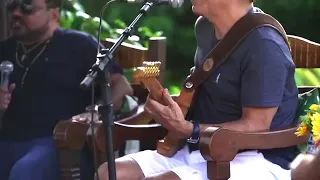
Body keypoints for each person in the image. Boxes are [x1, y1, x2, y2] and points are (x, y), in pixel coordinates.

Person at [96, 0, 299, 180]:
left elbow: (257, 125)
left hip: (257, 157)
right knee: (108, 173)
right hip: (198, 149)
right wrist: (167, 107)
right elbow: (201, 93)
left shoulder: (264, 44)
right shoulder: (204, 28)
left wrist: (189, 130)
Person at [0, 0, 134, 179]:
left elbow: (121, 86)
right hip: (8, 139)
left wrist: (95, 111)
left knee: (24, 171)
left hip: (62, 143)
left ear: (54, 14)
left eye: (26, 7)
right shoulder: (5, 50)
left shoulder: (78, 44)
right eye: (12, 7)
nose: (16, 13)